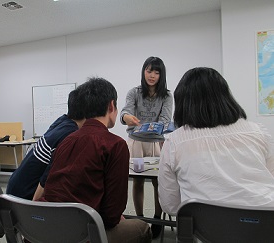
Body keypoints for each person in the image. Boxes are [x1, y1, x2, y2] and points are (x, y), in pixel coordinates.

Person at [39, 77, 152, 243]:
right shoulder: (115, 144)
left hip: (45, 228)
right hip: (82, 234)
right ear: (111, 105)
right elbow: (112, 215)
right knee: (142, 228)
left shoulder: (66, 140)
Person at [158, 67, 274, 216]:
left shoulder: (174, 141)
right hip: (264, 227)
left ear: (183, 103)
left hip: (205, 232)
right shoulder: (258, 132)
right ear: (226, 97)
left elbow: (171, 207)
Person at [120, 56, 173, 238]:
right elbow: (125, 111)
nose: (152, 75)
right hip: (136, 143)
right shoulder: (134, 92)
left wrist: (154, 127)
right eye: (149, 71)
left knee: (159, 182)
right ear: (144, 71)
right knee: (138, 180)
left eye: (156, 72)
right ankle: (141, 219)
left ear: (161, 75)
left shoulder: (166, 96)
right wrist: (127, 118)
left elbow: (165, 120)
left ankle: (157, 219)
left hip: (156, 144)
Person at [6, 88, 85, 200]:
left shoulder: (63, 121)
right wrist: (34, 204)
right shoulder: (70, 133)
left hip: (14, 185)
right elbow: (46, 177)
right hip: (22, 195)